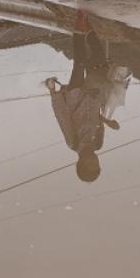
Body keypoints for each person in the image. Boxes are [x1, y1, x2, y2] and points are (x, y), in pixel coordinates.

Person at [45, 11, 122, 182]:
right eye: (97, 164)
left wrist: (53, 92)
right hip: (94, 97)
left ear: (80, 163)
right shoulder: (98, 144)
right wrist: (109, 122)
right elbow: (97, 120)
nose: (95, 160)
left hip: (76, 96)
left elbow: (62, 116)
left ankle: (80, 26)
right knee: (100, 63)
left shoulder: (72, 142)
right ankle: (88, 30)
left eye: (91, 164)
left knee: (79, 63)